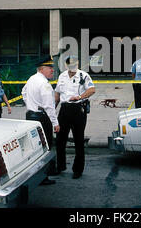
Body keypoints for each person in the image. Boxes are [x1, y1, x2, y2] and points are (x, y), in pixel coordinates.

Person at [22, 55, 60, 185]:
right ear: (42, 69)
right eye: (49, 67)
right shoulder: (44, 84)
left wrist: (30, 105)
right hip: (42, 118)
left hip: (31, 116)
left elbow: (23, 92)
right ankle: (44, 176)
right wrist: (55, 123)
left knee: (35, 147)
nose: (52, 70)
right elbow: (49, 107)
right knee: (46, 146)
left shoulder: (32, 79)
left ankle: (37, 174)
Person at [55, 56, 95, 179]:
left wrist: (79, 97)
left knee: (78, 140)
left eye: (75, 64)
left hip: (78, 109)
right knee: (60, 140)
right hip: (64, 110)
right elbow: (57, 93)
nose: (73, 67)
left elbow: (92, 90)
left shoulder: (83, 75)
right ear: (66, 65)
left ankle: (78, 170)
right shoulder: (62, 76)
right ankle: (60, 166)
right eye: (71, 65)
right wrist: (52, 109)